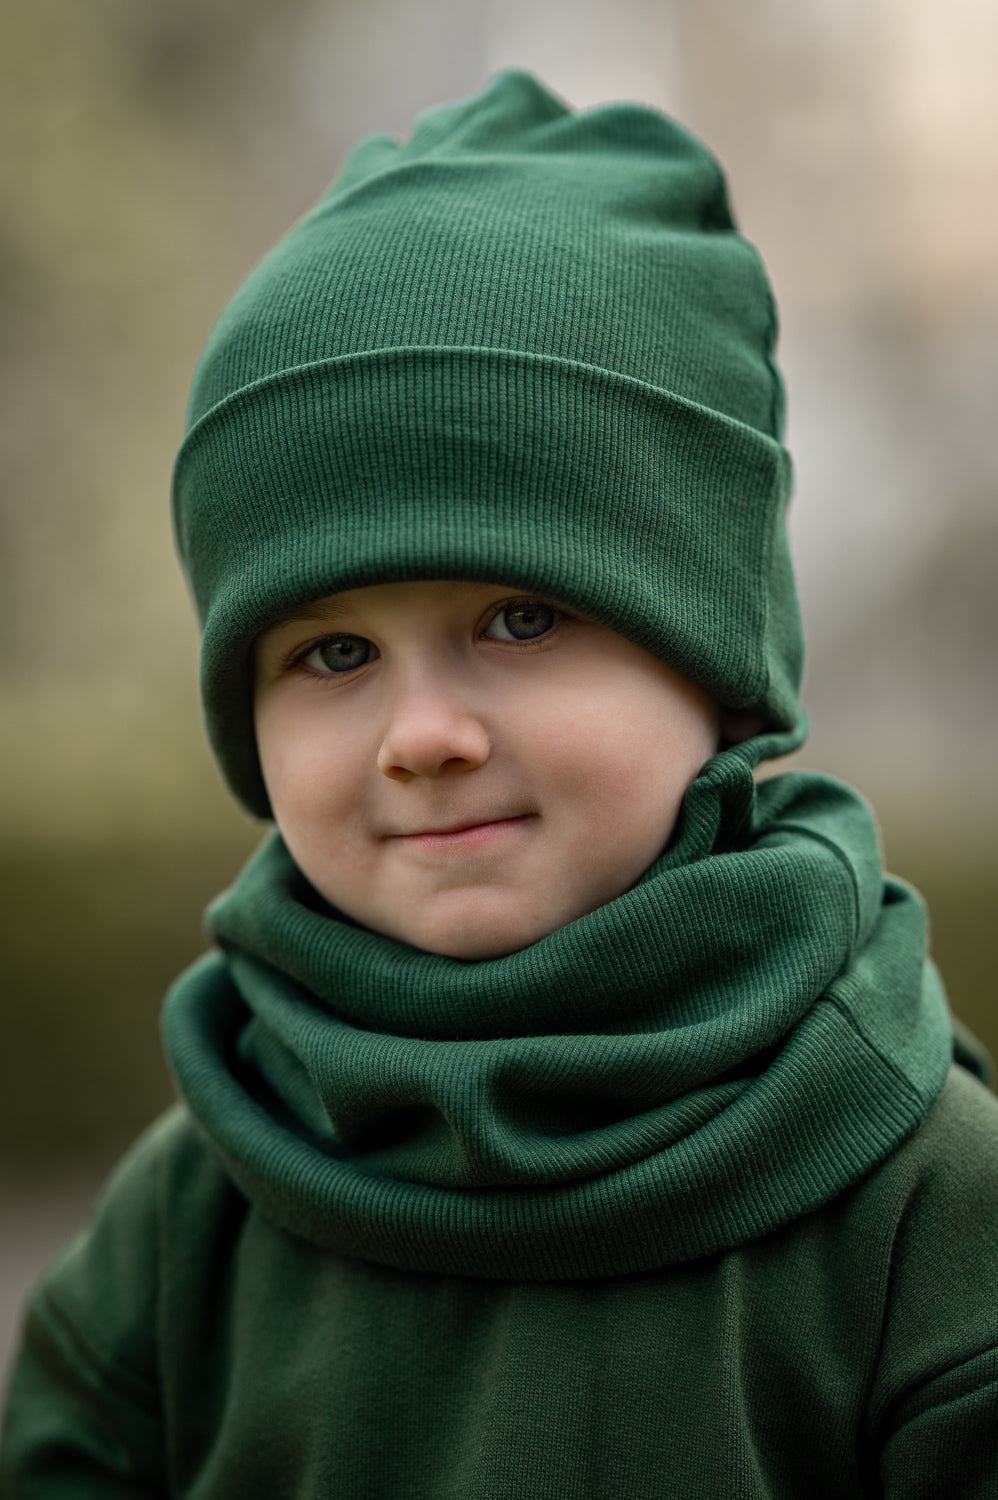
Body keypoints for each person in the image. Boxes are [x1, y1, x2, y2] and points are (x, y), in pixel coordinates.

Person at [2, 69, 997, 1499]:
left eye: (519, 621)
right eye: (332, 650)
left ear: (711, 654)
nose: (422, 734)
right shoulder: (192, 1213)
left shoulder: (919, 1207)